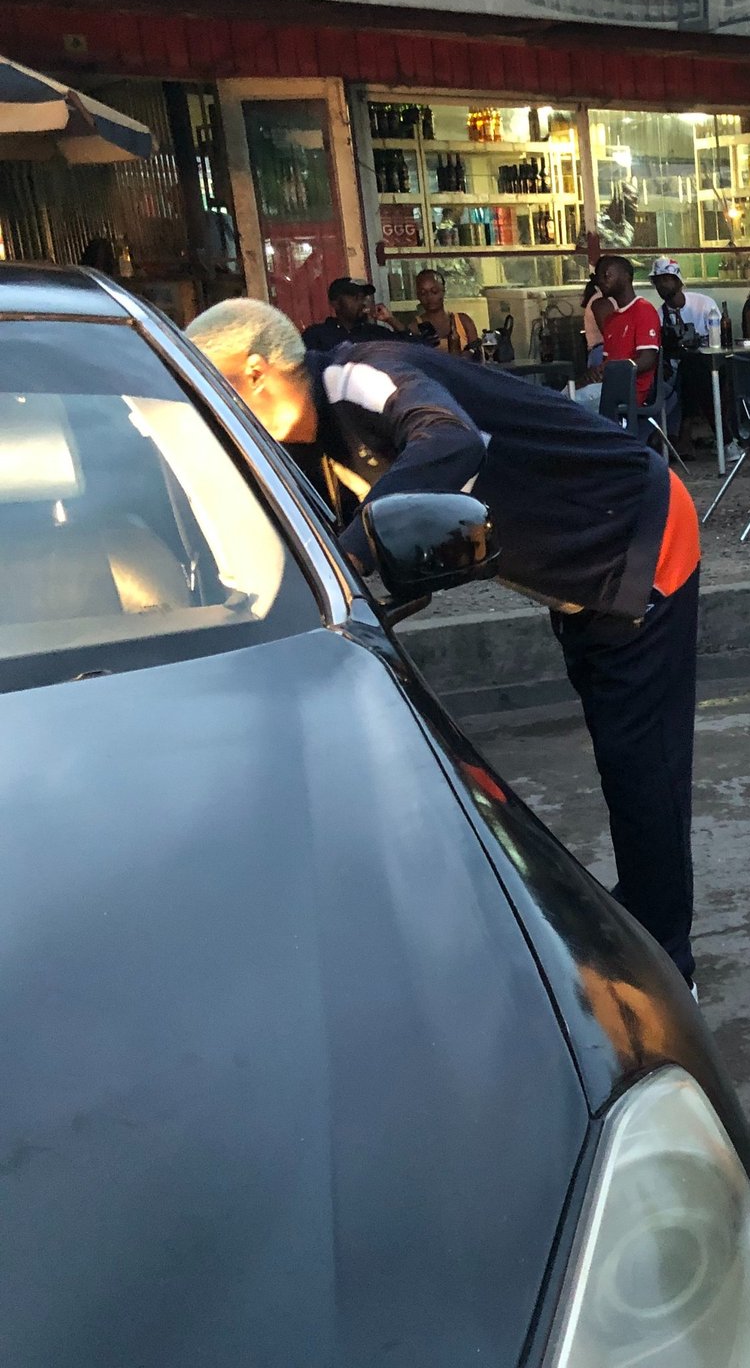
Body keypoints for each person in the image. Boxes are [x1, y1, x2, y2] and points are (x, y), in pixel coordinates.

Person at [184, 298, 704, 990]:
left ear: (253, 373)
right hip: (571, 559)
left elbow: (451, 442)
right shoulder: (309, 450)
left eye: (208, 391)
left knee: (641, 763)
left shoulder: (361, 376)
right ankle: (637, 918)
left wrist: (352, 558)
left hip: (636, 531)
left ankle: (668, 966)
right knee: (619, 752)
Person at [646, 256, 729, 460]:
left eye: (666, 279)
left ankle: (686, 434)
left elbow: (717, 339)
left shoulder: (703, 304)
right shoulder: (659, 315)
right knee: (690, 372)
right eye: (658, 281)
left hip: (711, 365)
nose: (662, 285)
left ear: (678, 281)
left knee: (694, 371)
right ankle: (725, 440)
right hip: (677, 371)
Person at [581, 255, 661, 418]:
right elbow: (608, 363)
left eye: (607, 274)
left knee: (566, 403)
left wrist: (611, 371)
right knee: (562, 396)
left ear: (626, 276)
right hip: (607, 387)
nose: (601, 281)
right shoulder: (611, 319)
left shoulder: (643, 310)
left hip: (629, 391)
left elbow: (647, 360)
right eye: (599, 277)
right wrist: (595, 373)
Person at [302, 276, 401, 352]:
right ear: (335, 303)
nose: (363, 303)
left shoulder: (376, 333)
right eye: (356, 298)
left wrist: (391, 320)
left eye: (363, 297)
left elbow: (412, 347)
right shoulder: (317, 335)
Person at [411, 268, 478, 357]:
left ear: (443, 291)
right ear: (418, 296)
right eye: (423, 293)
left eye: (434, 291)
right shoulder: (415, 327)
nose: (429, 297)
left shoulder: (463, 321)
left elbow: (478, 356)